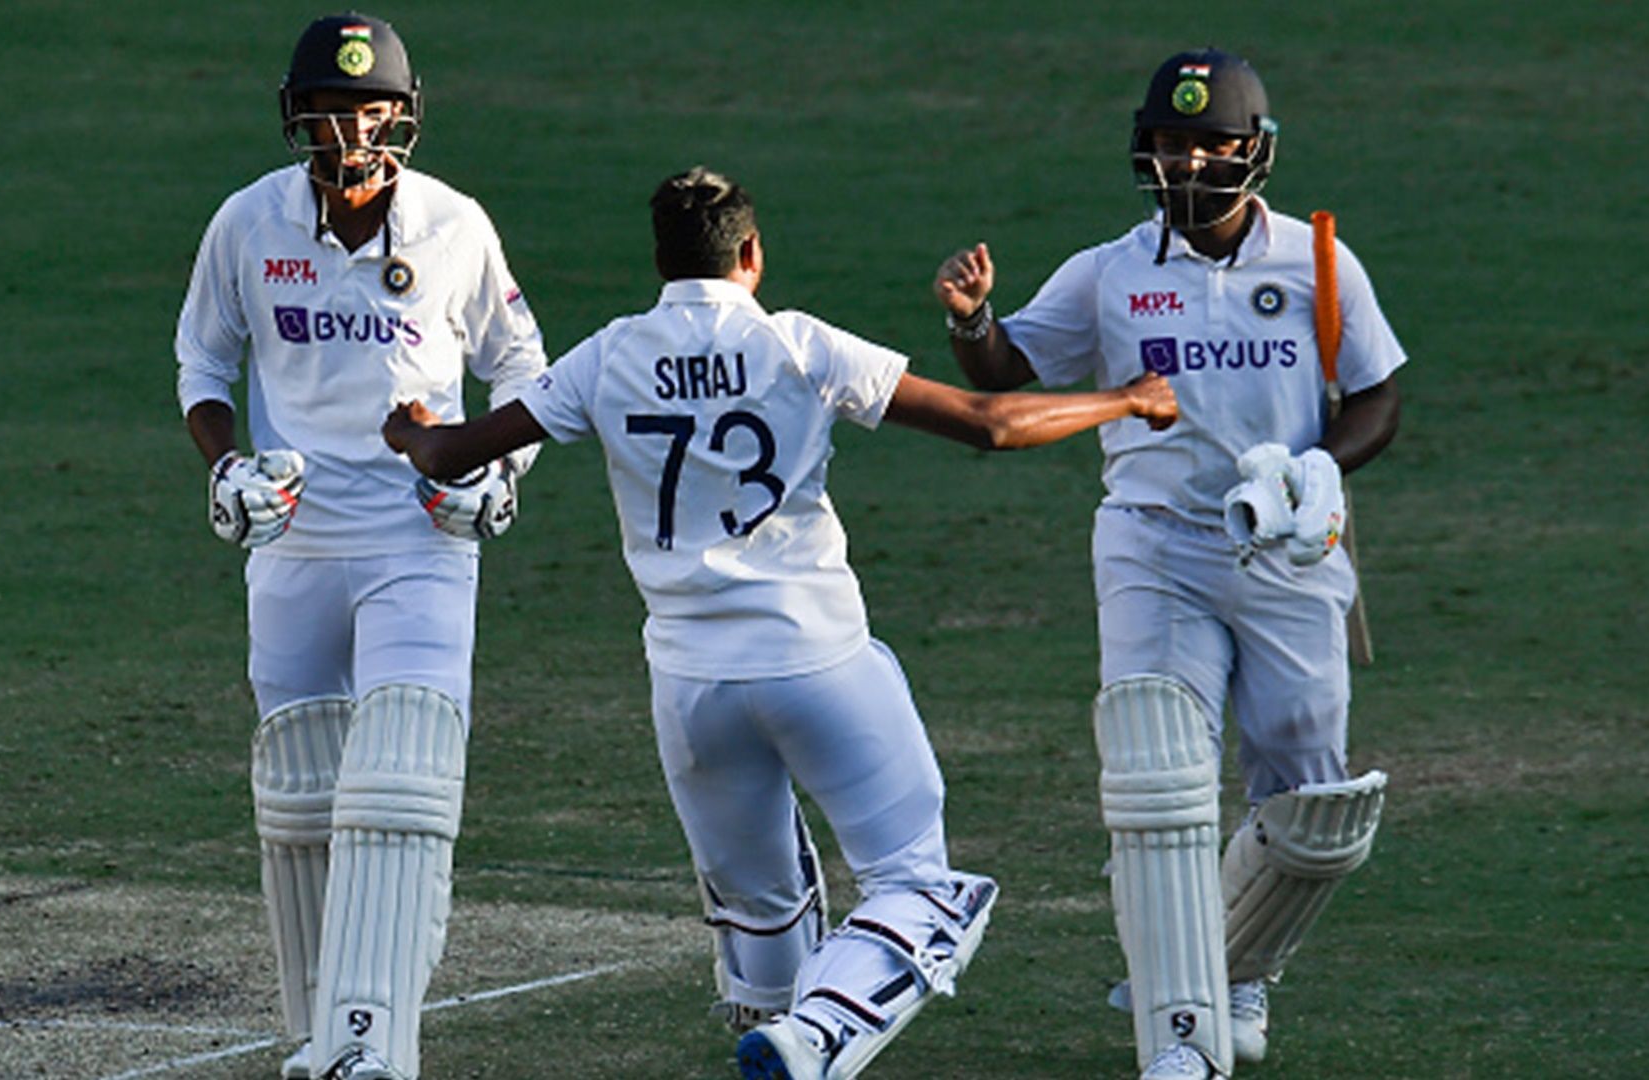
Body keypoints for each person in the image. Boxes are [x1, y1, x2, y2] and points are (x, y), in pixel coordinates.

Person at [382, 166, 1176, 1080]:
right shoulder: (798, 345)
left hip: (689, 690)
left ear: (659, 260)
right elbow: (990, 423)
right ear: (752, 256)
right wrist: (1129, 399)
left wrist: (408, 431)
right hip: (818, 664)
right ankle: (813, 1039)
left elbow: (449, 451)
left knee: (762, 928)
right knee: (920, 889)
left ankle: (780, 1027)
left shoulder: (608, 355)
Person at [933, 47, 1400, 1080]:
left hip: (1285, 553)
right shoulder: (1110, 272)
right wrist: (972, 321)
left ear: (1254, 153)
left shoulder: (1320, 265)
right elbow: (1012, 371)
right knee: (1159, 775)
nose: (1187, 164)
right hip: (1154, 546)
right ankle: (1190, 1013)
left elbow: (1377, 395)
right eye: (1169, 144)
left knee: (1309, 808)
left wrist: (1318, 467)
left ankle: (1233, 972)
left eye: (1209, 144)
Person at [172, 12, 546, 1080]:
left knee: (402, 784)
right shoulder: (248, 223)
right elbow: (200, 363)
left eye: (370, 109)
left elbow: (526, 370)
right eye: (331, 111)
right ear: (298, 118)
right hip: (290, 540)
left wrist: (496, 474)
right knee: (299, 796)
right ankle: (319, 1035)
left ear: (405, 116)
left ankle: (374, 1048)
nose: (350, 133)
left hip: (416, 540)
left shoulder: (454, 225)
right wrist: (226, 464)